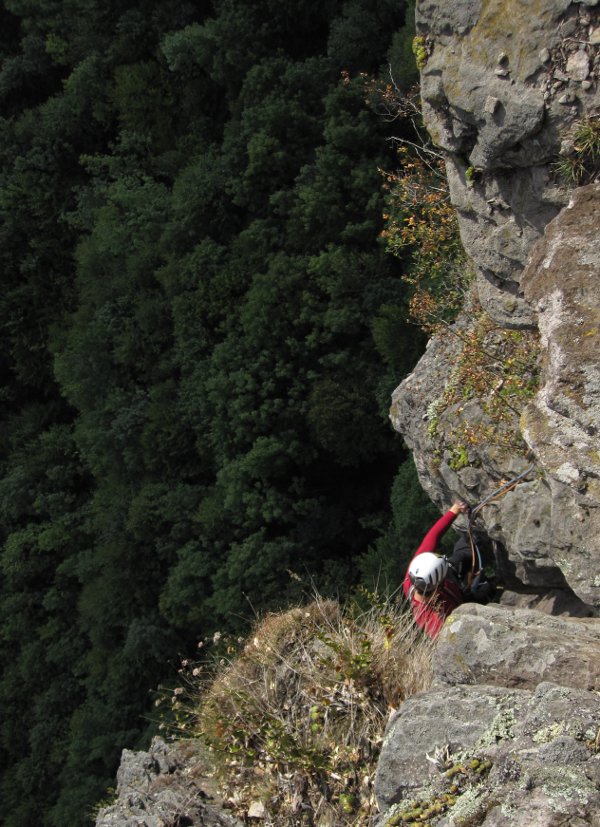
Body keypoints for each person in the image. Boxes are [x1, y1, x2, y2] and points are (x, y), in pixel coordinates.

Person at [403, 498, 494, 638]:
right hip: (461, 606)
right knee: (488, 589)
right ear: (438, 586)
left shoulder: (418, 568)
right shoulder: (436, 622)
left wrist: (455, 509)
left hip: (450, 581)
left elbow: (433, 537)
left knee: (469, 545)